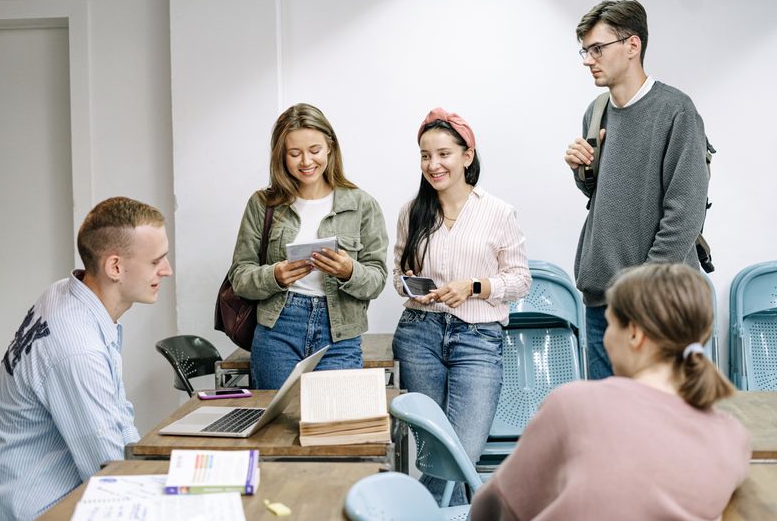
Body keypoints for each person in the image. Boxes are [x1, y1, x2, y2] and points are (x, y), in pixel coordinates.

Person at [470, 263, 750, 521]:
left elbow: (492, 508)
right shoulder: (733, 438)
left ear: (634, 334)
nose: (605, 336)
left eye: (610, 323)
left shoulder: (575, 404)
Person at [0, 197, 173, 520]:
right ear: (115, 267)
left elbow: (117, 421)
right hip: (36, 509)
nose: (166, 270)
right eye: (156, 261)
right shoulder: (77, 348)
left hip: (34, 492)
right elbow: (111, 473)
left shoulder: (66, 293)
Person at [563, 0, 710, 380]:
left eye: (597, 48)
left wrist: (640, 291)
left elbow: (685, 214)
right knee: (608, 426)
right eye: (585, 49)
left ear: (632, 46)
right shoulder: (595, 112)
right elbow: (606, 197)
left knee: (663, 427)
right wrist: (584, 172)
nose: (588, 59)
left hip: (658, 305)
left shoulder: (676, 111)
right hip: (602, 303)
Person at [392, 107, 531, 505]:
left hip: (478, 339)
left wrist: (474, 286)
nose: (433, 165)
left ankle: (411, 511)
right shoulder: (412, 212)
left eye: (443, 154)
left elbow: (520, 280)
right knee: (434, 453)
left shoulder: (498, 212)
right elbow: (397, 277)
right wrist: (412, 287)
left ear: (467, 156)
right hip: (419, 336)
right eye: (425, 155)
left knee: (460, 453)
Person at [229, 103, 388, 389]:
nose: (306, 161)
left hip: (340, 333)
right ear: (281, 156)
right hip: (278, 329)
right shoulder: (262, 205)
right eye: (294, 153)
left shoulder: (362, 205)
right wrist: (274, 276)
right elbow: (240, 277)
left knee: (333, 427)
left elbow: (377, 280)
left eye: (314, 150)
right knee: (275, 428)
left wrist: (349, 271)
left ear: (330, 147)